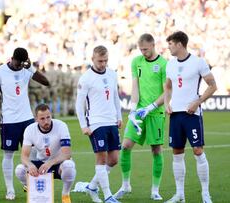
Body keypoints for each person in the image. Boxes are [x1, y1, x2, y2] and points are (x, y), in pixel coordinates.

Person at [0, 47, 50, 200]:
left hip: (27, 118)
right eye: (17, 63)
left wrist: (30, 67)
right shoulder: (0, 72)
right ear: (12, 58)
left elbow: (46, 82)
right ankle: (10, 189)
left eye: (21, 63)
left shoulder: (26, 69)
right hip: (9, 120)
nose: (18, 66)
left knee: (35, 151)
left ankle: (29, 182)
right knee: (8, 154)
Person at [163, 31, 217, 203]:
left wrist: (198, 102)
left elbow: (213, 86)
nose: (169, 47)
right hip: (175, 115)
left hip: (192, 114)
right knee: (177, 152)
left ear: (179, 44)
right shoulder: (170, 65)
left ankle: (205, 194)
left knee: (198, 151)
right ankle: (180, 195)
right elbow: (168, 87)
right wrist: (166, 103)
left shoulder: (198, 62)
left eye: (170, 44)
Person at [114, 33, 167, 201]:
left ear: (153, 45)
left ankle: (155, 190)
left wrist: (151, 107)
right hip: (139, 112)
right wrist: (134, 108)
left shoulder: (164, 64)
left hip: (156, 113)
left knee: (156, 150)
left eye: (145, 49)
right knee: (125, 146)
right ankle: (125, 185)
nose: (143, 52)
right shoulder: (136, 61)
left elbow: (167, 92)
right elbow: (135, 87)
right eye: (141, 49)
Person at [75, 45, 122, 203]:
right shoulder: (86, 78)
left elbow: (115, 97)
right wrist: (83, 125)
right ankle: (108, 196)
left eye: (105, 60)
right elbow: (79, 104)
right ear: (92, 59)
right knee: (101, 159)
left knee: (114, 159)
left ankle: (92, 186)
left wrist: (119, 116)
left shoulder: (112, 74)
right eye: (100, 61)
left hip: (111, 121)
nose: (103, 64)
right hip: (95, 123)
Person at [15, 104, 76, 203]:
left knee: (69, 166)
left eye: (48, 117)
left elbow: (67, 154)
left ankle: (65, 195)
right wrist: (30, 165)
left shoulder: (61, 126)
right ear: (36, 119)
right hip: (40, 162)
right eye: (42, 119)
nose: (46, 121)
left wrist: (50, 163)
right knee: (19, 170)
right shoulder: (30, 129)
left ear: (51, 115)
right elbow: (24, 156)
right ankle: (30, 187)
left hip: (58, 163)